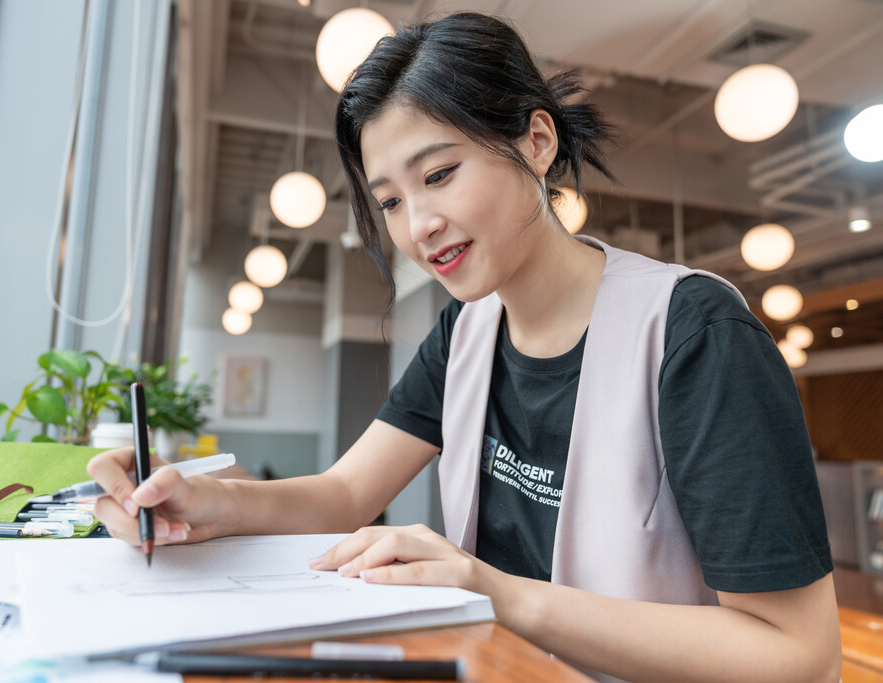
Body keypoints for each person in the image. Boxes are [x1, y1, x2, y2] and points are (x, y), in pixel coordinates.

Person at [89, 11, 840, 682]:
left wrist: (498, 592)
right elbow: (346, 493)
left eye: (439, 174)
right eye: (389, 200)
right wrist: (200, 499)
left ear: (537, 142)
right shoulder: (467, 332)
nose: (417, 226)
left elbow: (796, 654)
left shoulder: (693, 332)